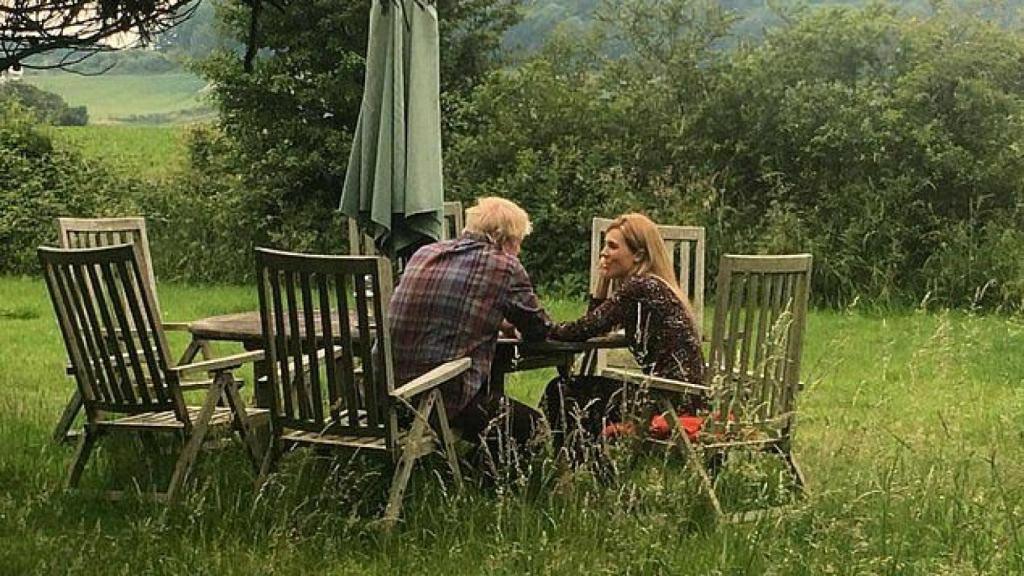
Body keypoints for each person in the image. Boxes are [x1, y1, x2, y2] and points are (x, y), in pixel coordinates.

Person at [389, 196, 552, 456]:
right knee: (534, 426)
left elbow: (444, 311)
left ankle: (473, 465)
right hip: (439, 401)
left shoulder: (425, 253)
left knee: (489, 397)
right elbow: (539, 328)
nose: (519, 251)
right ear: (506, 240)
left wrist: (494, 320)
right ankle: (486, 482)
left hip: (389, 395)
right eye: (519, 243)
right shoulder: (505, 266)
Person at [542, 213, 706, 449]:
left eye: (612, 246)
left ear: (638, 254)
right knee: (578, 391)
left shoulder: (639, 286)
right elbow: (595, 324)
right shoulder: (654, 285)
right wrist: (602, 282)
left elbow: (585, 328)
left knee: (562, 390)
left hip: (667, 401)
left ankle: (572, 466)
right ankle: (584, 464)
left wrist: (539, 328)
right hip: (684, 397)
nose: (603, 253)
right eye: (603, 246)